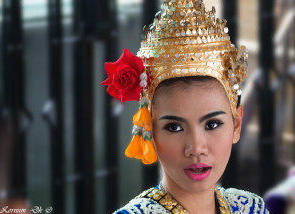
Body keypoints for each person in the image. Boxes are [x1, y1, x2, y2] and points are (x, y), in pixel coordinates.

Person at [101, 0, 269, 213]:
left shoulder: (251, 208)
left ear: (236, 125)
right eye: (174, 127)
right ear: (149, 130)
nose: (196, 148)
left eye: (212, 124)